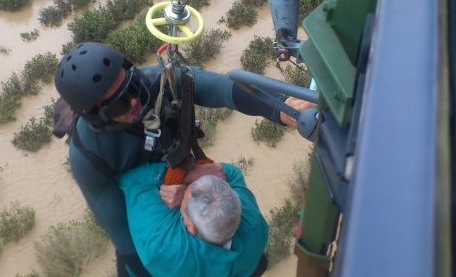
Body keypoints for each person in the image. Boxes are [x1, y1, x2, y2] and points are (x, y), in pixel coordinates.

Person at [54, 42, 314, 276]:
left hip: (181, 180)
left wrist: (279, 108)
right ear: (98, 118)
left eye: (131, 86)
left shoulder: (158, 83)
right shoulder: (88, 155)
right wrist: (184, 178)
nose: (134, 101)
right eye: (119, 105)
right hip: (144, 203)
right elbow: (123, 233)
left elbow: (218, 87)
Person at [119, 161, 269, 277]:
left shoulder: (162, 243)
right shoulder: (254, 224)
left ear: (190, 226)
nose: (183, 195)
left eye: (183, 200)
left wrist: (183, 176)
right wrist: (187, 190)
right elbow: (232, 173)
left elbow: (129, 180)